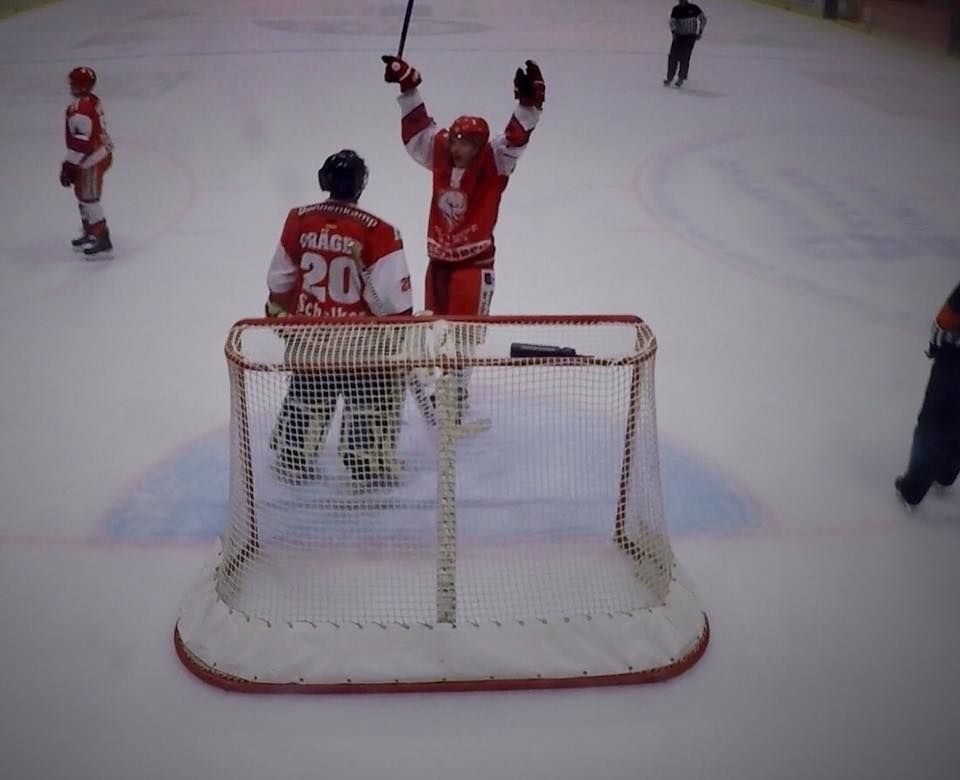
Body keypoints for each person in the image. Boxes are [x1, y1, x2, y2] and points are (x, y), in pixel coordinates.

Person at [264, 150, 414, 488]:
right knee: (373, 400)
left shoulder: (298, 219)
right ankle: (366, 465)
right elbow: (394, 305)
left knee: (307, 395)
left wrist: (283, 313)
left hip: (310, 343)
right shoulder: (381, 232)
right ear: (361, 185)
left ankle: (291, 457)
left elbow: (278, 282)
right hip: (360, 349)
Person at [381, 55, 544, 319]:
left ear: (478, 147)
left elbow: (516, 139)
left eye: (465, 144)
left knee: (461, 340)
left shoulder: (495, 160)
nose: (457, 149)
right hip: (438, 265)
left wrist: (529, 106)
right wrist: (408, 86)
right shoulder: (441, 152)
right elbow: (418, 134)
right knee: (433, 333)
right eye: (455, 142)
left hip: (474, 266)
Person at [895, 282, 960, 508]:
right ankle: (946, 473)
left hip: (954, 364)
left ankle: (913, 489)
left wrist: (940, 341)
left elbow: (946, 319)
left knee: (933, 422)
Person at [61, 66, 114, 256]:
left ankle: (102, 237)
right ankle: (91, 230)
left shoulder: (80, 110)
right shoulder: (91, 101)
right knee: (82, 194)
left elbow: (81, 144)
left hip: (92, 159)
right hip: (99, 152)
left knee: (89, 198)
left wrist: (69, 166)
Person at [664, 0, 707, 87]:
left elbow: (703, 19)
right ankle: (670, 77)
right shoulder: (676, 9)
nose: (681, 1)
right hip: (679, 36)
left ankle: (681, 77)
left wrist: (700, 32)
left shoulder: (694, 8)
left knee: (685, 56)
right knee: (673, 56)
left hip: (690, 37)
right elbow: (672, 22)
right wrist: (673, 32)